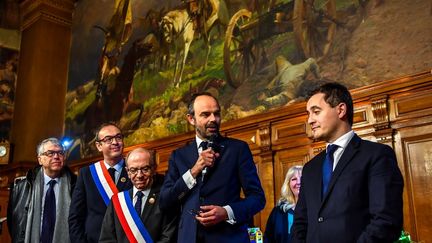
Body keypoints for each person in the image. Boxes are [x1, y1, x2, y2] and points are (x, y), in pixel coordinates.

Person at [291, 82, 404, 242]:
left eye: (316, 112)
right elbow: (300, 223)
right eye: (308, 114)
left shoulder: (376, 155)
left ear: (341, 110)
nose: (310, 120)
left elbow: (386, 220)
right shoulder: (310, 167)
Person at [159, 92, 266, 243]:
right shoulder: (178, 156)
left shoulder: (238, 149)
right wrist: (194, 170)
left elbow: (257, 198)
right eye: (205, 114)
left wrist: (226, 212)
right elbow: (165, 202)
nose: (213, 120)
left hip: (228, 237)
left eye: (216, 114)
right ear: (191, 119)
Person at [69, 122, 132, 243]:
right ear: (99, 146)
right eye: (108, 139)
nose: (115, 142)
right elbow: (75, 217)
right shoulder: (87, 174)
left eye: (118, 137)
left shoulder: (135, 170)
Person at [99, 148, 178, 242]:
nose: (139, 175)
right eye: (133, 170)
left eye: (145, 169)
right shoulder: (118, 201)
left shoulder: (166, 196)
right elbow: (106, 239)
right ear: (127, 172)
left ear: (153, 169)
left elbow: (168, 237)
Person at [7, 137, 77, 243]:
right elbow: (14, 223)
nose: (56, 157)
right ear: (40, 159)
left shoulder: (76, 185)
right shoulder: (21, 187)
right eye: (50, 153)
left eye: (60, 153)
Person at [264, 165, 303, 243]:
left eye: (302, 178)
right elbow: (268, 238)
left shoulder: (314, 209)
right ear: (288, 184)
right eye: (294, 179)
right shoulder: (278, 211)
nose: (298, 182)